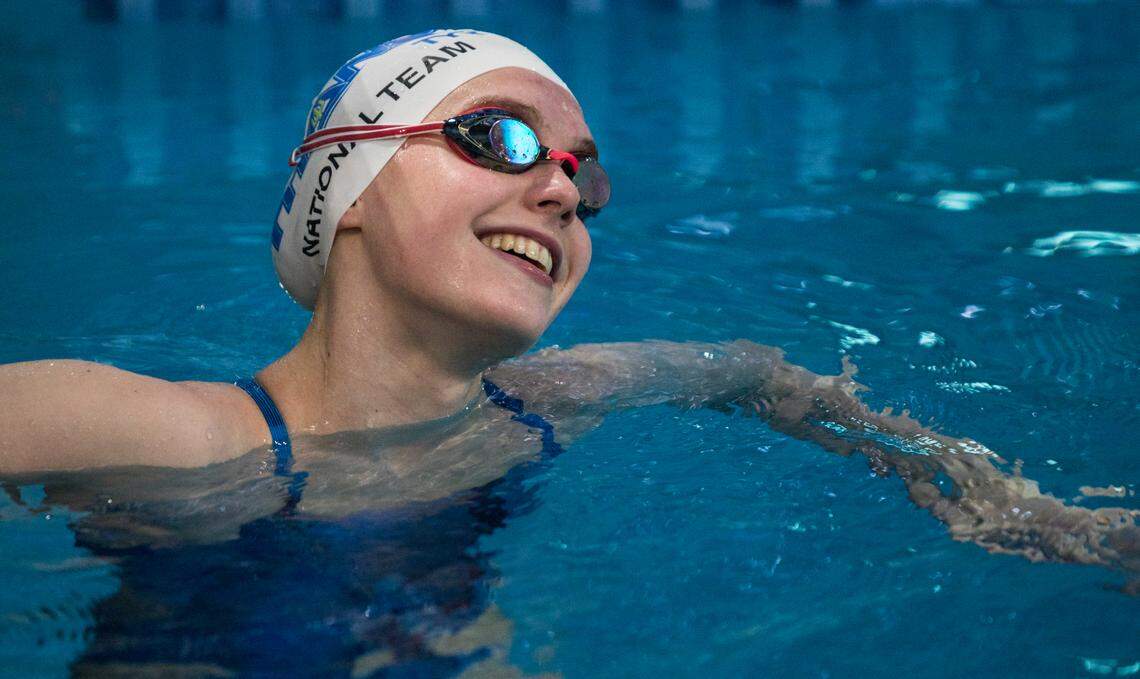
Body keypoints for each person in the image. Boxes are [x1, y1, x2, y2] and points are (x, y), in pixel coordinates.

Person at [1, 26, 1138, 674]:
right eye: (499, 138)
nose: (560, 187)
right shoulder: (166, 429)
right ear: (342, 196)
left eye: (584, 176)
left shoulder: (551, 399)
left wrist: (998, 501)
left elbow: (752, 370)